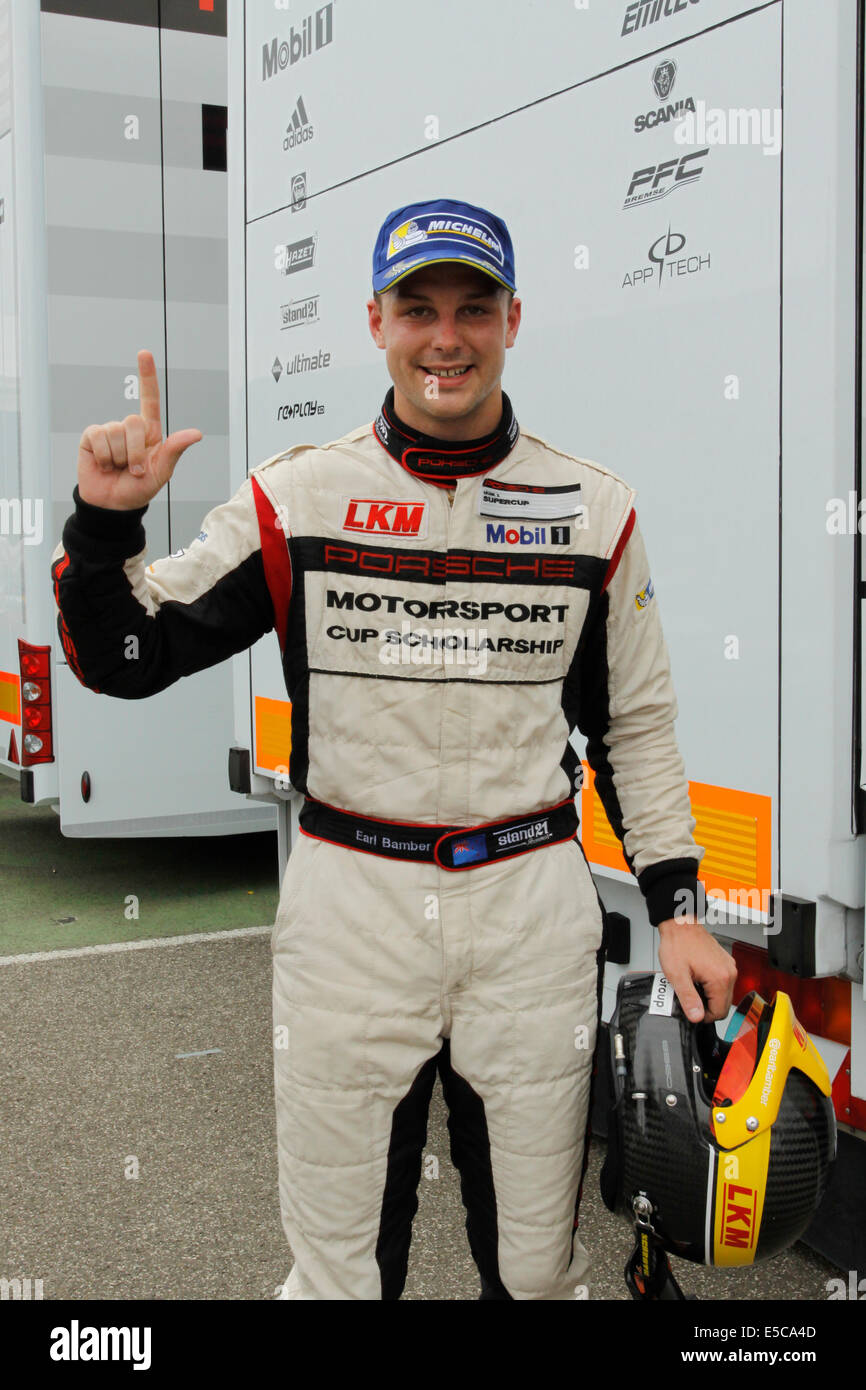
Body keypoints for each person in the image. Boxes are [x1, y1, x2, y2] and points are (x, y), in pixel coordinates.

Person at [50, 197, 737, 1300]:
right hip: (350, 911)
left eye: (473, 307)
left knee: (534, 1268)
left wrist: (677, 911)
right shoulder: (298, 497)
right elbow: (125, 654)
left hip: (527, 911)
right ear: (375, 321)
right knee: (338, 1273)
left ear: (514, 317)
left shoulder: (591, 511)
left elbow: (633, 727)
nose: (446, 336)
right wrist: (102, 523)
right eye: (417, 308)